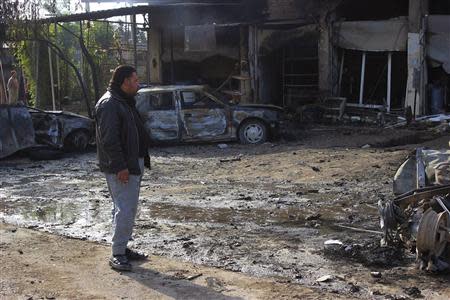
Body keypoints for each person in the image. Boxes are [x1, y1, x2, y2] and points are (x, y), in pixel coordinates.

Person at [95, 65, 151, 271]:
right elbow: (109, 140)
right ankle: (118, 254)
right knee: (125, 209)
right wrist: (120, 167)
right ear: (125, 82)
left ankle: (122, 247)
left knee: (124, 208)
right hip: (122, 166)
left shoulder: (122, 101)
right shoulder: (110, 103)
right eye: (135, 80)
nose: (138, 84)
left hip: (130, 163)